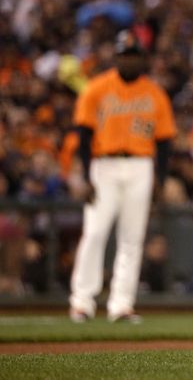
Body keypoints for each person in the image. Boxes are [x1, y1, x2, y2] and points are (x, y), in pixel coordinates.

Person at [69, 30, 176, 323]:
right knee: (94, 232)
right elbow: (83, 135)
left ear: (141, 59)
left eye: (133, 55)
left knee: (132, 238)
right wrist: (85, 173)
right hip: (103, 165)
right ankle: (82, 301)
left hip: (141, 165)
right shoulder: (96, 88)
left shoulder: (155, 93)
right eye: (124, 55)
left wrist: (161, 179)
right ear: (116, 58)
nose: (128, 60)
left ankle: (121, 304)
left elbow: (165, 142)